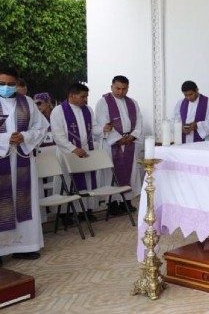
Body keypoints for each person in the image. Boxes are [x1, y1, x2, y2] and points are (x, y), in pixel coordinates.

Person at [0, 67, 48, 262]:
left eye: (10, 84)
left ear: (17, 83)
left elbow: (41, 126)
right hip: (3, 157)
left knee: (23, 199)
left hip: (22, 159)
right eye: (2, 84)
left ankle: (26, 245)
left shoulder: (26, 102)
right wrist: (5, 139)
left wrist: (25, 136)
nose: (6, 87)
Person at [51, 83, 105, 218]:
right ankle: (66, 214)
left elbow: (93, 128)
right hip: (67, 153)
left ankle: (86, 211)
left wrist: (104, 129)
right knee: (68, 182)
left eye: (86, 96)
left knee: (87, 181)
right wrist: (74, 149)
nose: (85, 99)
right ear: (71, 95)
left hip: (86, 151)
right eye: (83, 96)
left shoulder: (88, 110)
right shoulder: (58, 111)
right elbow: (58, 135)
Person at [95, 75, 143, 214]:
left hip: (129, 143)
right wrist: (118, 139)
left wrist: (132, 136)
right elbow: (103, 122)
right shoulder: (103, 103)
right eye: (118, 88)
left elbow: (139, 121)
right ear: (111, 87)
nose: (121, 92)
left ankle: (126, 201)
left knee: (131, 173)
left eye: (124, 89)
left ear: (128, 88)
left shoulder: (133, 103)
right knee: (111, 174)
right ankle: (113, 204)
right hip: (112, 145)